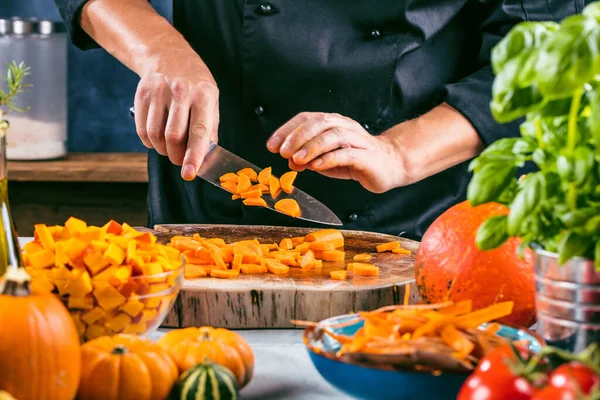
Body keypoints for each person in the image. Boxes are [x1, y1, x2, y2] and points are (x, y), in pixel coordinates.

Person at [54, 0, 580, 240]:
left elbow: (546, 43)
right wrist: (159, 51)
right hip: (207, 187)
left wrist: (399, 151)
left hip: (416, 211)